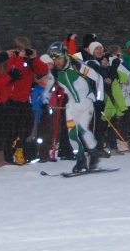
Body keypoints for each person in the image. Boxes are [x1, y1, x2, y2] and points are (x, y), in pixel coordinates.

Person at [43, 42, 106, 172]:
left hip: (87, 100)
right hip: (72, 104)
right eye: (54, 59)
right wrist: (45, 102)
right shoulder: (54, 72)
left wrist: (99, 99)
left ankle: (94, 154)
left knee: (82, 128)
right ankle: (80, 159)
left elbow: (98, 78)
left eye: (59, 58)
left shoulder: (77, 65)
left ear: (65, 55)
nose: (57, 62)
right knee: (72, 133)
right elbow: (47, 90)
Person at [5, 37, 49, 164]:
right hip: (13, 100)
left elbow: (43, 70)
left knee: (27, 128)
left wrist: (34, 58)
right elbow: (17, 71)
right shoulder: (13, 60)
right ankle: (9, 154)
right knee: (13, 129)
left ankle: (21, 150)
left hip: (25, 100)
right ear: (17, 50)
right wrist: (20, 57)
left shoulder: (30, 61)